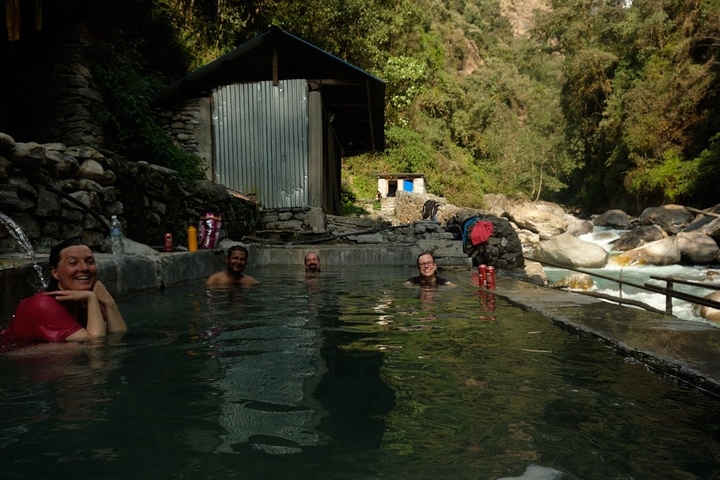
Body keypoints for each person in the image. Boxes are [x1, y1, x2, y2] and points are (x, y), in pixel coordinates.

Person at [0, 238, 127, 344]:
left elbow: (118, 338)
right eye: (73, 263)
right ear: (55, 273)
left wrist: (110, 303)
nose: (84, 268)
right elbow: (96, 347)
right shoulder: (42, 304)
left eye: (89, 261)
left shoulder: (84, 302)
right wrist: (91, 298)